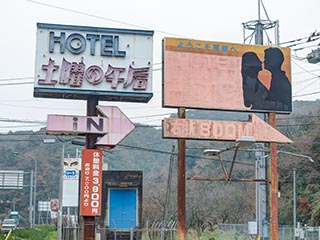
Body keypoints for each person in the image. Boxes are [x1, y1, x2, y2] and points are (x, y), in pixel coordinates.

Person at [264, 47, 292, 111]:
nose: (264, 61)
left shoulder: (279, 80)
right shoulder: (277, 77)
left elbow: (279, 103)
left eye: (266, 59)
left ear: (273, 61)